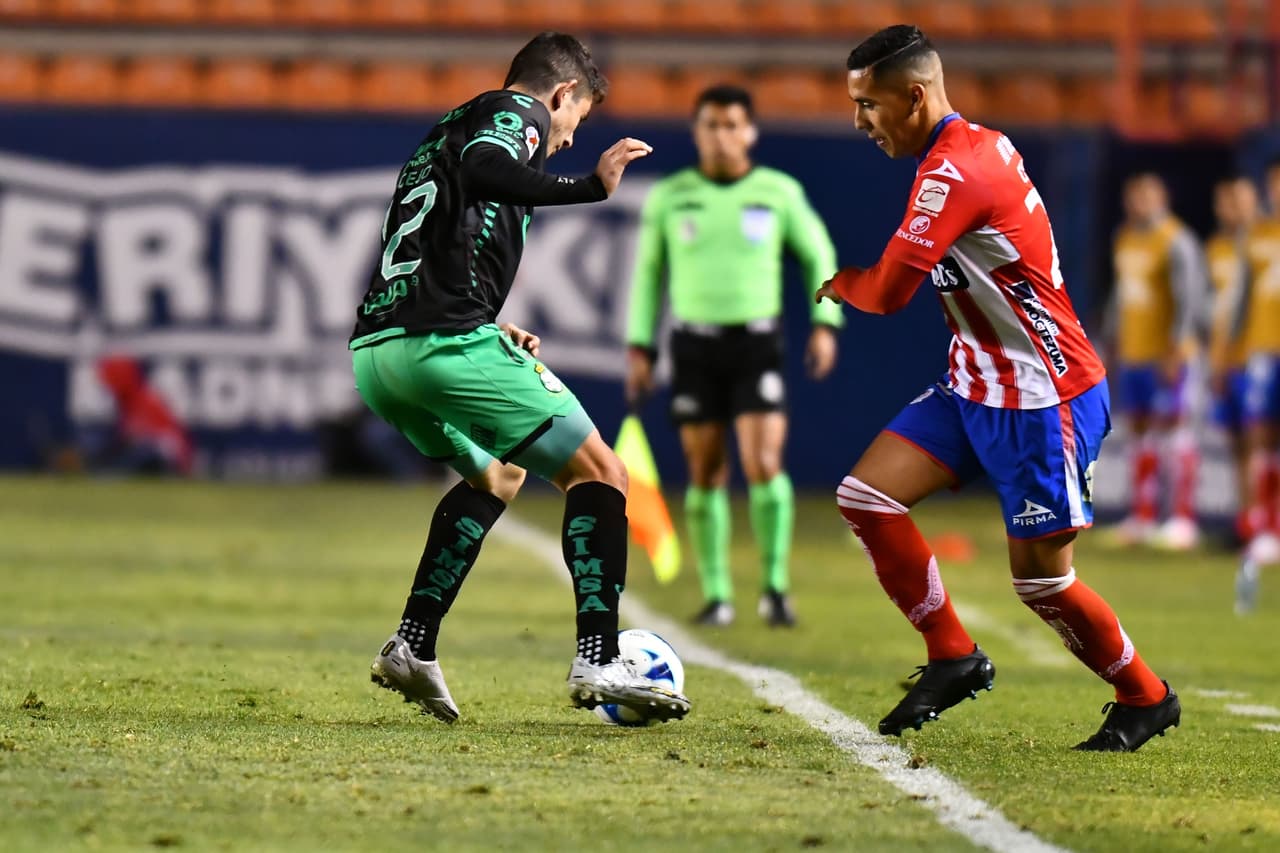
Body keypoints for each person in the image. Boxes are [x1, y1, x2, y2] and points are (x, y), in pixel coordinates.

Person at [818, 25, 1180, 751]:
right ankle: (952, 654)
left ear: (914, 97)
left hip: (1044, 397)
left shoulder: (955, 173)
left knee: (1043, 584)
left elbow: (888, 293)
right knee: (866, 496)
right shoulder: (968, 150)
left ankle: (1146, 696)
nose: (859, 121)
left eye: (869, 105)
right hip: (975, 380)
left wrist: (834, 284)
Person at [348, 32, 690, 724]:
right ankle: (599, 655)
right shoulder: (517, 113)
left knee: (496, 476)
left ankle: (413, 644)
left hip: (380, 354)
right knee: (601, 472)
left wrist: (486, 322)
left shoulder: (447, 126)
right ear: (561, 94)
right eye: (578, 119)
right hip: (443, 343)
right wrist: (591, 186)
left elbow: (436, 229)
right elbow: (485, 168)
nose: (565, 138)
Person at [625, 85, 843, 628]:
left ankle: (775, 587)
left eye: (731, 125)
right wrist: (640, 345)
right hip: (694, 345)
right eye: (711, 125)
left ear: (750, 132)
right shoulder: (671, 196)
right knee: (705, 472)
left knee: (764, 463)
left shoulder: (778, 191)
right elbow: (649, 274)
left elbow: (818, 252)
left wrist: (825, 321)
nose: (721, 135)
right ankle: (718, 595)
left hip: (756, 343)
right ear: (697, 132)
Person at [1106, 173, 1207, 550]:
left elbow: (1190, 299)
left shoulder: (1176, 240)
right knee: (1140, 435)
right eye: (1134, 196)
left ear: (1163, 197)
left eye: (1147, 195)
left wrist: (1178, 346)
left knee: (1175, 433)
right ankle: (1143, 516)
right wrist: (1114, 342)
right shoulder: (1126, 238)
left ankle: (1182, 519)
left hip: (1167, 354)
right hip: (1135, 351)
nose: (1139, 203)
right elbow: (1121, 295)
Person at [1235, 161, 1280, 611]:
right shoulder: (1258, 235)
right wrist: (1232, 345)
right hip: (1264, 350)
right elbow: (1243, 298)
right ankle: (1264, 529)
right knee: (1258, 438)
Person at [1204, 176, 1258, 547]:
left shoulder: (1266, 244)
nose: (1231, 209)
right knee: (1240, 445)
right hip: (1227, 360)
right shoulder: (1216, 249)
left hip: (1259, 358)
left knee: (1263, 444)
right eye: (1225, 202)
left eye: (1238, 201)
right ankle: (1247, 523)